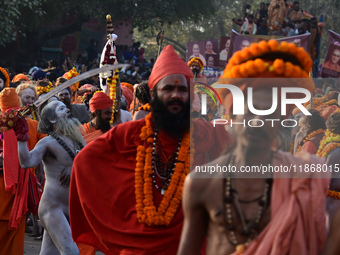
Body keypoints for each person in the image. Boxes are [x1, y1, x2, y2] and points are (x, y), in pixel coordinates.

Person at [69, 45, 231, 254]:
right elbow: (85, 161)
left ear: (191, 95)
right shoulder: (130, 134)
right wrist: (118, 217)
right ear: (154, 94)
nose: (175, 95)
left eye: (182, 90)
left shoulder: (207, 135)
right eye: (168, 89)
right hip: (136, 243)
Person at [177, 40, 329, 255]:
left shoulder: (302, 179)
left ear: (281, 120)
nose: (258, 121)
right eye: (251, 111)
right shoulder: (200, 183)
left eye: (269, 114)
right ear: (233, 114)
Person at [17, 100, 86, 254]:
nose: (67, 110)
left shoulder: (78, 139)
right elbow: (27, 162)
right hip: (52, 207)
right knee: (71, 251)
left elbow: (90, 160)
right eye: (61, 109)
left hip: (70, 207)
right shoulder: (47, 142)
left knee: (48, 253)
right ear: (53, 119)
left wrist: (75, 166)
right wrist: (21, 139)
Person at [0, 88, 45, 255]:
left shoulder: (33, 125)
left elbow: (42, 150)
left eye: (33, 98)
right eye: (27, 98)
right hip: (15, 190)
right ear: (19, 101)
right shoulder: (26, 125)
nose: (30, 101)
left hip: (20, 186)